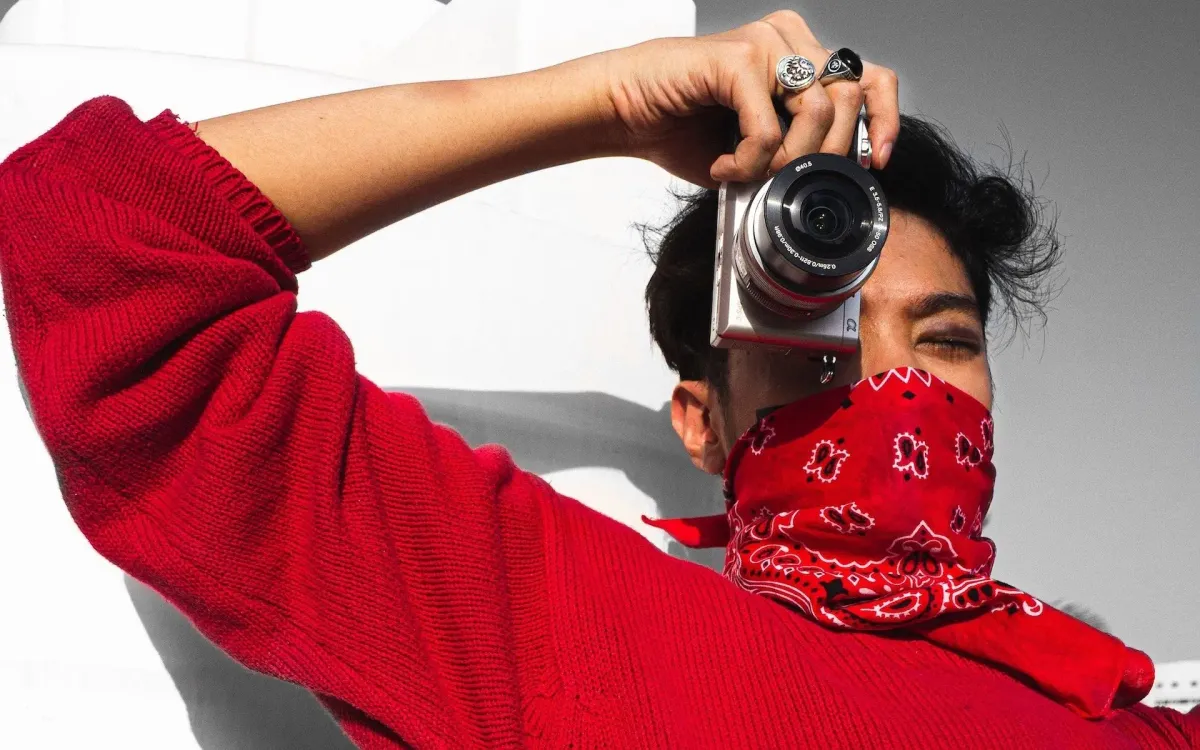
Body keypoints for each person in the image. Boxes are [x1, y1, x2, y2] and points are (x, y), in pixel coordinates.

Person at [0, 9, 1196, 749]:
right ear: (701, 420)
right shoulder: (568, 626)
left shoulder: (1116, 702)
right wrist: (607, 101)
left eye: (944, 339)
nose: (892, 379)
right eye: (819, 331)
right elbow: (99, 245)